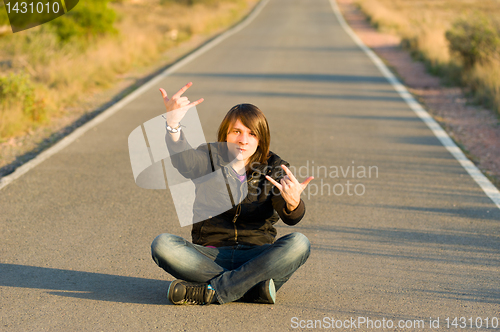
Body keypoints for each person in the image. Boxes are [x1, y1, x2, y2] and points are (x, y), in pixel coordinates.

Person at [151, 82, 314, 305]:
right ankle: (252, 289)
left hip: (256, 255)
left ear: (261, 138)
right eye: (236, 131)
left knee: (299, 243)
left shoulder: (274, 167)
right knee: (162, 245)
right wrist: (173, 125)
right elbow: (184, 161)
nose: (243, 140)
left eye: (251, 134)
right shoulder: (209, 156)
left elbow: (290, 217)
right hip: (210, 255)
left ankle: (211, 291)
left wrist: (294, 204)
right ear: (226, 134)